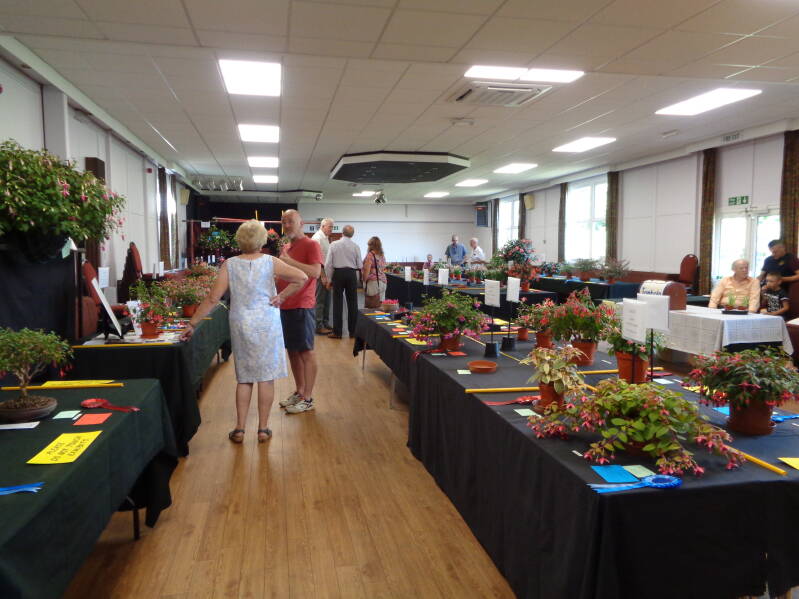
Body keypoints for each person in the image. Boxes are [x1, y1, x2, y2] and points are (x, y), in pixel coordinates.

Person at [180, 220, 307, 443]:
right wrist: (282, 297)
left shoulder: (230, 264)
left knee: (245, 377)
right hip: (267, 322)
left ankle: (239, 429)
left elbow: (212, 298)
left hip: (241, 323)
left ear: (240, 239)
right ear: (262, 240)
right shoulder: (270, 262)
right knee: (266, 378)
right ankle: (263, 429)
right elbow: (302, 277)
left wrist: (191, 324)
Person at [277, 209, 324, 415]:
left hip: (302, 305)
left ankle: (308, 398)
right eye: (284, 222)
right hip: (285, 305)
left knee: (306, 352)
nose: (287, 225)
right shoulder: (287, 246)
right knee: (293, 351)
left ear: (301, 223)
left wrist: (288, 261)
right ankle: (300, 391)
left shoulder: (311, 244)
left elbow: (315, 272)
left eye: (290, 221)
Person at [324, 224, 362, 339]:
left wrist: (329, 279)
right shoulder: (356, 246)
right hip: (351, 274)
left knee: (337, 303)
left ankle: (338, 332)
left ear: (342, 233)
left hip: (338, 274)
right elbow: (360, 265)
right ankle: (353, 332)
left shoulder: (334, 245)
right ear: (352, 234)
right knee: (353, 303)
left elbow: (328, 264)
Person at [312, 218, 334, 335]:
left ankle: (325, 323)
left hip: (327, 275)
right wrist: (323, 276)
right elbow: (317, 260)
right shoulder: (317, 238)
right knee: (320, 301)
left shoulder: (325, 238)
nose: (331, 229)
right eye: (330, 226)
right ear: (323, 226)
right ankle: (318, 325)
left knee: (327, 300)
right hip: (321, 274)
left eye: (332, 227)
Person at [362, 236, 387, 302]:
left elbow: (366, 270)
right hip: (383, 282)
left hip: (373, 283)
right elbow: (383, 268)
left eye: (369, 245)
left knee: (372, 305)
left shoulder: (370, 255)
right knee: (381, 305)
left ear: (371, 245)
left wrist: (364, 281)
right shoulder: (382, 255)